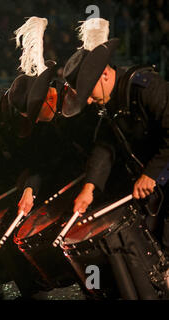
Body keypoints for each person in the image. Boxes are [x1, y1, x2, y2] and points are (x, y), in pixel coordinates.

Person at [63, 18, 169, 254]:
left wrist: (152, 174)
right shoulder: (108, 103)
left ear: (105, 76)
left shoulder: (147, 88)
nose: (88, 101)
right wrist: (89, 188)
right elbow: (105, 146)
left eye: (88, 93)